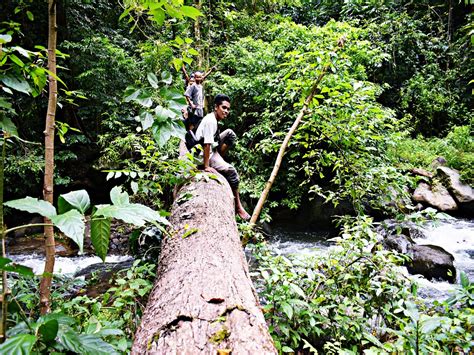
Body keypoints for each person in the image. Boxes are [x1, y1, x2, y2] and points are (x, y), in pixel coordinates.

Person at [194, 94, 250, 220]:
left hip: (213, 148)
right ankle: (238, 207)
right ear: (216, 107)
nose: (226, 111)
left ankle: (219, 160)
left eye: (228, 109)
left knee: (230, 134)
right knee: (232, 172)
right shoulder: (210, 121)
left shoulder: (213, 118)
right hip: (203, 154)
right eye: (223, 108)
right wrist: (206, 166)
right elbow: (206, 144)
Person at [183, 66, 216, 131]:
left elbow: (204, 77)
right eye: (197, 77)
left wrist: (211, 71)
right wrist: (191, 104)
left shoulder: (200, 85)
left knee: (198, 124)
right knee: (192, 124)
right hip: (193, 109)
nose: (199, 78)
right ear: (194, 78)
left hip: (200, 108)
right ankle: (189, 137)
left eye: (200, 77)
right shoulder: (192, 85)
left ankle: (193, 137)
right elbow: (186, 95)